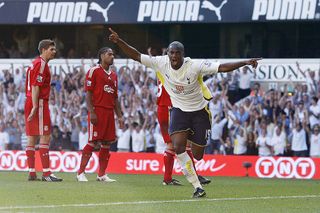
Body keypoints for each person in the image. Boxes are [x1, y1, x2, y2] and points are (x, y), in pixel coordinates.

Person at [108, 28, 261, 198]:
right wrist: (119, 41)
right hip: (179, 111)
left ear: (183, 54)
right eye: (171, 53)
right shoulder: (161, 62)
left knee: (198, 155)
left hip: (199, 112)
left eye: (177, 53)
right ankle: (197, 187)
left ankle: (194, 155)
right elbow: (136, 55)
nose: (173, 56)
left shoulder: (195, 66)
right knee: (178, 147)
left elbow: (222, 67)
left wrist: (245, 62)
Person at [76, 47, 124, 182]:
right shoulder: (93, 71)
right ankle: (80, 173)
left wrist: (119, 116)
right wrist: (91, 112)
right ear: (102, 56)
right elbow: (88, 94)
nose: (112, 56)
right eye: (109, 54)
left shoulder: (114, 75)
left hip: (109, 112)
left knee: (107, 143)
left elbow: (115, 98)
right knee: (92, 142)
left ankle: (101, 174)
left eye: (113, 54)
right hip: (97, 110)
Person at [157, 83, 211, 186]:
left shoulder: (161, 72)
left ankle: (168, 178)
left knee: (177, 144)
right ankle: (191, 177)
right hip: (171, 107)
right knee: (179, 144)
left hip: (162, 107)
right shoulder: (171, 72)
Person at [25, 39, 62, 181]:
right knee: (45, 136)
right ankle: (46, 173)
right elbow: (35, 86)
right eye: (52, 49)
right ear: (44, 49)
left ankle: (32, 172)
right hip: (38, 102)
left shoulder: (35, 63)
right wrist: (35, 106)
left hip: (30, 100)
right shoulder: (41, 64)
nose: (54, 51)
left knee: (32, 137)